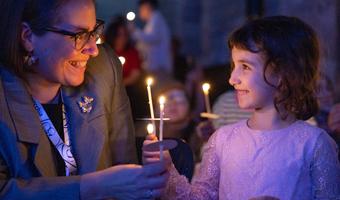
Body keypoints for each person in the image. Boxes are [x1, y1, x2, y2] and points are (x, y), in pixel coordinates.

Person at [143, 16, 340, 199]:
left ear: (282, 73)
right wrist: (167, 168)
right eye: (234, 66)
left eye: (245, 67)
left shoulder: (314, 145)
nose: (232, 79)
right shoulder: (222, 140)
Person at [0, 0, 168, 199]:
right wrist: (91, 187)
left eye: (93, 31)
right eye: (78, 35)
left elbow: (124, 163)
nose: (93, 49)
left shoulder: (103, 71)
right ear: (28, 37)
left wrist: (146, 177)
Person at [131, 0, 172, 76]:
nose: (140, 12)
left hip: (158, 66)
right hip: (154, 66)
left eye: (141, 9)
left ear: (147, 6)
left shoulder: (157, 19)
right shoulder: (153, 21)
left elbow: (151, 38)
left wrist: (134, 31)